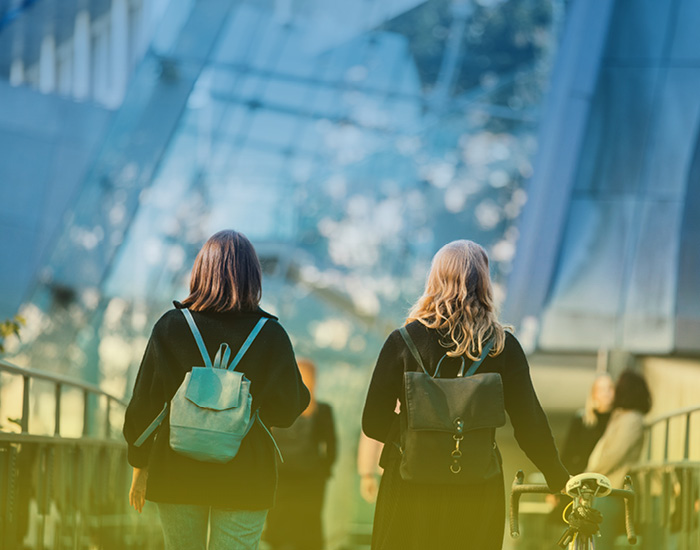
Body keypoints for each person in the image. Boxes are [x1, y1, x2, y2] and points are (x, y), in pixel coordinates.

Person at [362, 240, 569, 550]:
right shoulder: (503, 347)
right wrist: (558, 477)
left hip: (409, 485)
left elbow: (373, 422)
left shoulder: (403, 341)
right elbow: (530, 424)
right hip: (477, 486)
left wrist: (415, 433)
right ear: (484, 284)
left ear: (434, 280)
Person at [122, 230, 310, 550]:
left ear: (201, 271)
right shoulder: (271, 334)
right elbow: (289, 407)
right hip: (246, 473)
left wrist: (140, 465)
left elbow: (145, 403)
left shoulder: (171, 326)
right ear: (253, 277)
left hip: (177, 470)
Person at [264, 359, 337, 550]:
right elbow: (332, 446)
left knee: (278, 524)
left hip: (279, 475)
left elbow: (267, 441)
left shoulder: (276, 407)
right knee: (309, 525)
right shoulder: (322, 410)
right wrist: (325, 469)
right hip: (311, 477)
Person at [586, 369, 651, 550]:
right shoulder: (622, 417)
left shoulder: (632, 420)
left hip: (614, 488)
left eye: (616, 388)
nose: (613, 392)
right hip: (607, 487)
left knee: (603, 542)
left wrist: (590, 473)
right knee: (598, 541)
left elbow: (614, 454)